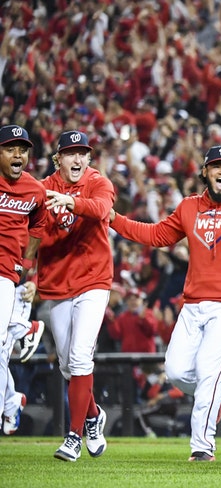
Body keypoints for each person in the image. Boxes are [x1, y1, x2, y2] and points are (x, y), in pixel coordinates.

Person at [110, 145, 221, 461]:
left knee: (209, 371)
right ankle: (217, 393)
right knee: (177, 371)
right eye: (215, 166)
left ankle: (202, 446)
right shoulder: (188, 208)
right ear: (205, 172)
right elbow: (156, 236)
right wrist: (114, 219)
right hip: (194, 304)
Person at [39, 130, 114, 462]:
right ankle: (93, 415)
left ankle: (73, 436)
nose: (78, 158)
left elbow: (100, 210)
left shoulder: (98, 182)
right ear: (59, 159)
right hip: (56, 283)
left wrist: (71, 201)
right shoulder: (41, 189)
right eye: (70, 153)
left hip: (94, 280)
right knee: (69, 367)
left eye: (83, 153)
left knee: (82, 357)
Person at [0, 125, 47, 437]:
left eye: (23, 149)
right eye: (9, 148)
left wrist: (28, 267)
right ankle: (11, 399)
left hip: (5, 272)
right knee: (2, 351)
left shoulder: (34, 190)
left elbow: (39, 228)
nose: (18, 154)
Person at [3, 282, 42, 435]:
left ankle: (27, 329)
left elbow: (37, 258)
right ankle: (12, 400)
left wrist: (35, 281)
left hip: (17, 290)